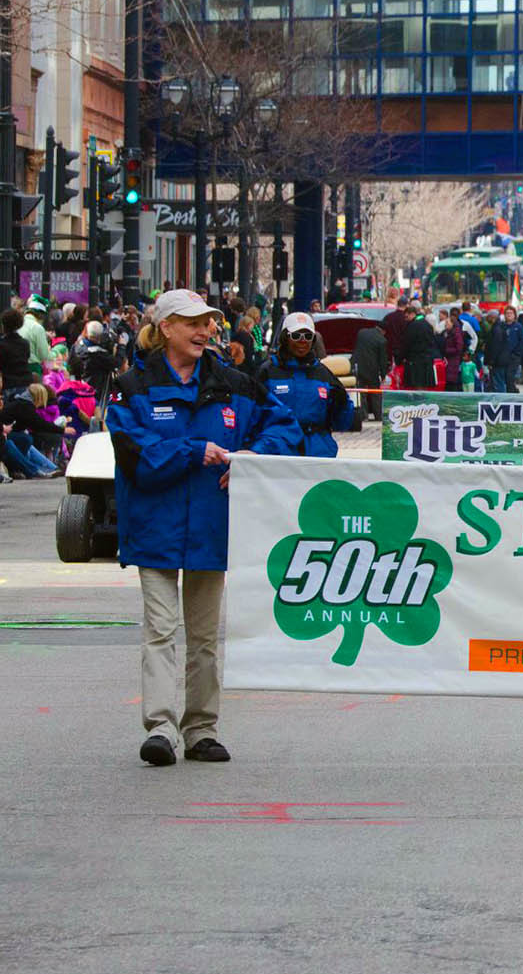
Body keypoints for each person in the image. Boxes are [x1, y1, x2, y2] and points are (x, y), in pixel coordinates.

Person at [106, 289, 302, 767]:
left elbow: (286, 427)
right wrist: (195, 451)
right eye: (193, 322)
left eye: (209, 322)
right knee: (159, 629)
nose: (205, 330)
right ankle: (161, 727)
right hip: (154, 527)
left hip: (213, 527)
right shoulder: (131, 386)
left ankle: (201, 730)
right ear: (165, 327)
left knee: (205, 636)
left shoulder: (235, 382)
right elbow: (135, 455)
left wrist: (256, 456)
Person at [258, 311, 356, 458]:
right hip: (278, 453)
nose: (302, 341)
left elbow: (343, 423)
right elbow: (252, 417)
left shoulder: (324, 374)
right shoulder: (268, 371)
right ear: (285, 338)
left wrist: (343, 404)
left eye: (308, 336)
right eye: (296, 336)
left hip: (317, 455)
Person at [485, 305, 523, 394]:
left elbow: (522, 341)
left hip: (513, 357)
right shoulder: (501, 326)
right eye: (507, 313)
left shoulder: (518, 327)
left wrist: (516, 354)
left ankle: (512, 396)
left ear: (515, 315)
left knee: (510, 378)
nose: (509, 315)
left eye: (511, 313)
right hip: (503, 357)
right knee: (504, 379)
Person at [351, 320, 388, 419]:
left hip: (357, 366)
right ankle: (378, 415)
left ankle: (363, 415)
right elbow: (383, 360)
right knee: (375, 392)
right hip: (372, 370)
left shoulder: (362, 332)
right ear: (384, 331)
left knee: (360, 392)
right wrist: (383, 375)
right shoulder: (382, 340)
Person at [401, 302, 439, 389]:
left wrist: (400, 358)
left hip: (415, 362)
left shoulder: (412, 326)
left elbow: (406, 344)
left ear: (412, 314)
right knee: (424, 387)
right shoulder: (427, 324)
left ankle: (418, 401)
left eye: (406, 317)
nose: (405, 319)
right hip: (427, 360)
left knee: (417, 386)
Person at [2, 307, 34, 403]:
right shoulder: (25, 343)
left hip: (8, 385)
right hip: (26, 384)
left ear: (4, 325)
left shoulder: (2, 344)